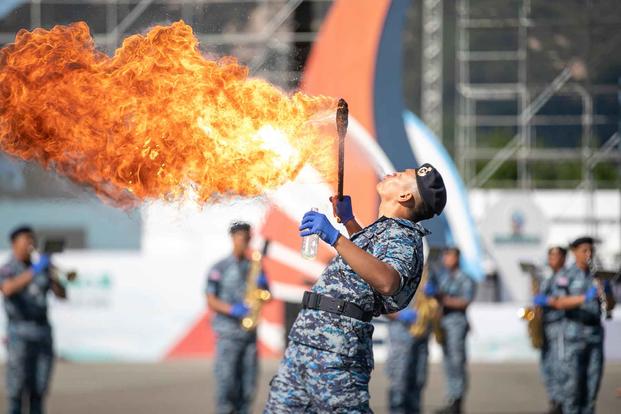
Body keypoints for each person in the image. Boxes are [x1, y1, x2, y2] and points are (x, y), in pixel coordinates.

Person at [264, 164, 447, 413]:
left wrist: (335, 237)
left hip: (336, 351)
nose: (393, 173)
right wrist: (349, 222)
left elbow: (387, 280)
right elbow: (369, 262)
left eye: (402, 175)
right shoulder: (385, 230)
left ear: (405, 196)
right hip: (307, 343)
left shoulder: (404, 236)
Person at [537, 236, 616, 414]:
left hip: (594, 334)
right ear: (574, 252)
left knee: (591, 388)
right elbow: (558, 302)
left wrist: (606, 292)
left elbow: (610, 306)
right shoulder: (565, 275)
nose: (588, 254)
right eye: (584, 251)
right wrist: (585, 297)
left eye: (591, 251)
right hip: (572, 335)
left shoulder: (598, 275)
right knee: (571, 389)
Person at [0, 226, 67, 414]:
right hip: (19, 334)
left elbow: (62, 295)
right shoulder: (8, 268)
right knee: (17, 388)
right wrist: (35, 270)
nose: (30, 245)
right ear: (14, 244)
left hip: (42, 333)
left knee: (39, 388)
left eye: (32, 241)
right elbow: (7, 289)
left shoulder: (41, 268)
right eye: (25, 241)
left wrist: (52, 273)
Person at [205, 222, 270, 414]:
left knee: (248, 387)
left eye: (249, 238)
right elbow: (211, 299)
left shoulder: (255, 267)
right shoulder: (220, 267)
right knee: (227, 385)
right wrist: (232, 309)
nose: (247, 243)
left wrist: (263, 287)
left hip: (249, 336)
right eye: (243, 238)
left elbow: (268, 295)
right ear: (233, 238)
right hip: (228, 335)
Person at [426, 247, 476, 414]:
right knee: (447, 363)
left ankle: (458, 401)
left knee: (456, 363)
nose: (446, 258)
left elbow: (464, 302)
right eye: (445, 255)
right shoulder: (443, 276)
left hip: (457, 323)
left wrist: (442, 299)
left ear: (457, 258)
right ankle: (451, 398)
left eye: (449, 255)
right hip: (444, 323)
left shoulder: (465, 278)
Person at [533, 246, 568, 414]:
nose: (551, 259)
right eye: (550, 255)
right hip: (546, 326)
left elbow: (561, 300)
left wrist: (545, 300)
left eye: (555, 255)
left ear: (563, 258)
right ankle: (554, 400)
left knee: (559, 366)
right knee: (546, 367)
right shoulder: (548, 278)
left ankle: (561, 402)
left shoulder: (565, 277)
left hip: (559, 326)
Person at [385, 297, 432, 414]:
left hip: (421, 336)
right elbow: (383, 307)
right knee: (399, 381)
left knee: (418, 380)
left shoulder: (428, 279)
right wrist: (400, 315)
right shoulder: (395, 279)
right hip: (401, 337)